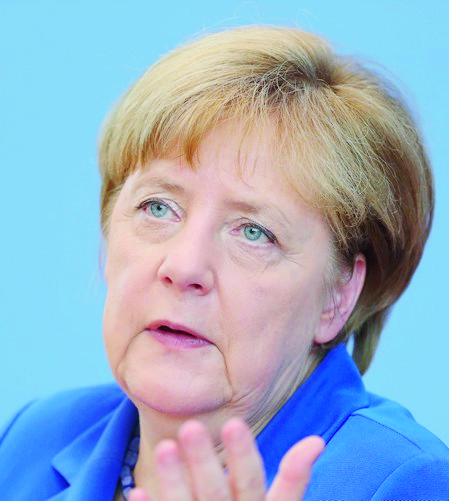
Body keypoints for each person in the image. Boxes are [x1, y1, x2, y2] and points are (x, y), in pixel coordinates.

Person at [1, 25, 448, 500]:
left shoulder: (405, 482)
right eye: (158, 207)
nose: (184, 266)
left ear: (338, 296)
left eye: (254, 233)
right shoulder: (30, 442)